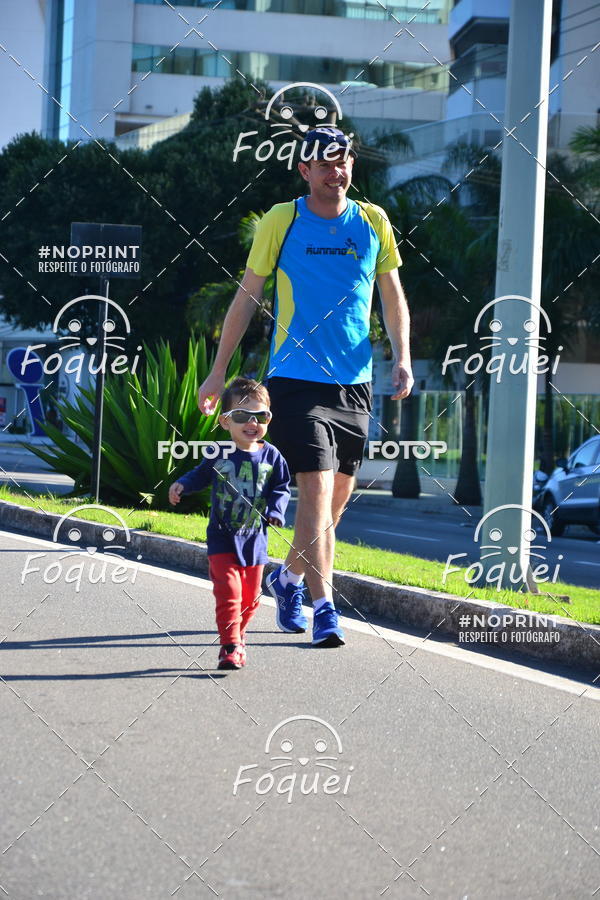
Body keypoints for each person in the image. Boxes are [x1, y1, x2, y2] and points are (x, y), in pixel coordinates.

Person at [198, 126, 413, 649]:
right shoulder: (283, 219)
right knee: (314, 491)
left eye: (343, 162)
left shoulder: (373, 221)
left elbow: (392, 296)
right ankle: (326, 611)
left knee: (332, 509)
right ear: (304, 171)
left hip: (354, 384)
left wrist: (403, 357)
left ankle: (288, 577)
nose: (335, 172)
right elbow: (248, 294)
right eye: (324, 165)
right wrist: (219, 370)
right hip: (294, 379)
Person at [169, 377, 290, 670]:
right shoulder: (218, 453)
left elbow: (282, 487)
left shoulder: (272, 456)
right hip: (222, 538)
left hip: (255, 541)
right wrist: (182, 484)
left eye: (260, 416)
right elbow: (199, 475)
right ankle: (230, 645)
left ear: (269, 418)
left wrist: (276, 510)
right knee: (229, 593)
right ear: (225, 421)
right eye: (242, 416)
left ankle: (238, 633)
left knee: (251, 599)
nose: (252, 423)